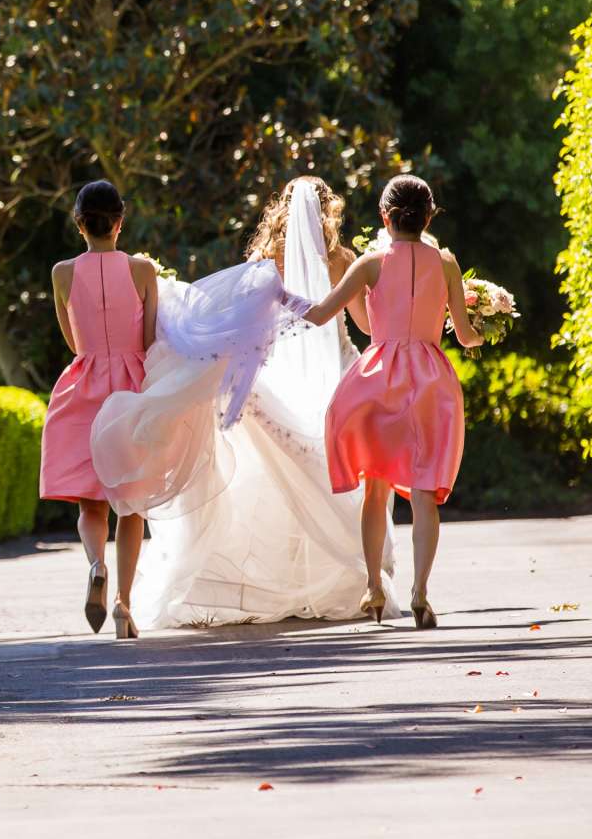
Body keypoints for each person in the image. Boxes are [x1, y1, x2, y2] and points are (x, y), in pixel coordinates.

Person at [89, 176, 386, 627]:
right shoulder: (344, 260)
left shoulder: (265, 260)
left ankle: (268, 577)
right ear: (328, 213)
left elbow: (241, 324)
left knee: (265, 474)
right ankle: (344, 575)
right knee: (327, 469)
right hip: (336, 373)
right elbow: (364, 325)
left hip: (274, 375)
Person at [298, 174, 483, 629]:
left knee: (375, 488)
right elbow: (463, 335)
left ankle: (374, 588)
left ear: (385, 217)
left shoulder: (370, 263)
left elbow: (322, 313)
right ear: (429, 216)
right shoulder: (447, 265)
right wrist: (484, 328)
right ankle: (421, 591)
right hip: (431, 383)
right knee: (424, 492)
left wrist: (270, 301)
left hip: (379, 381)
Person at [42, 180, 159, 638]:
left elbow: (71, 338)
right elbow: (150, 340)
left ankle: (95, 564)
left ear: (78, 222)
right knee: (131, 507)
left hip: (83, 386)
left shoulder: (62, 272)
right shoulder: (142, 270)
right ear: (120, 221)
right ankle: (124, 606)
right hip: (130, 390)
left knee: (91, 504)